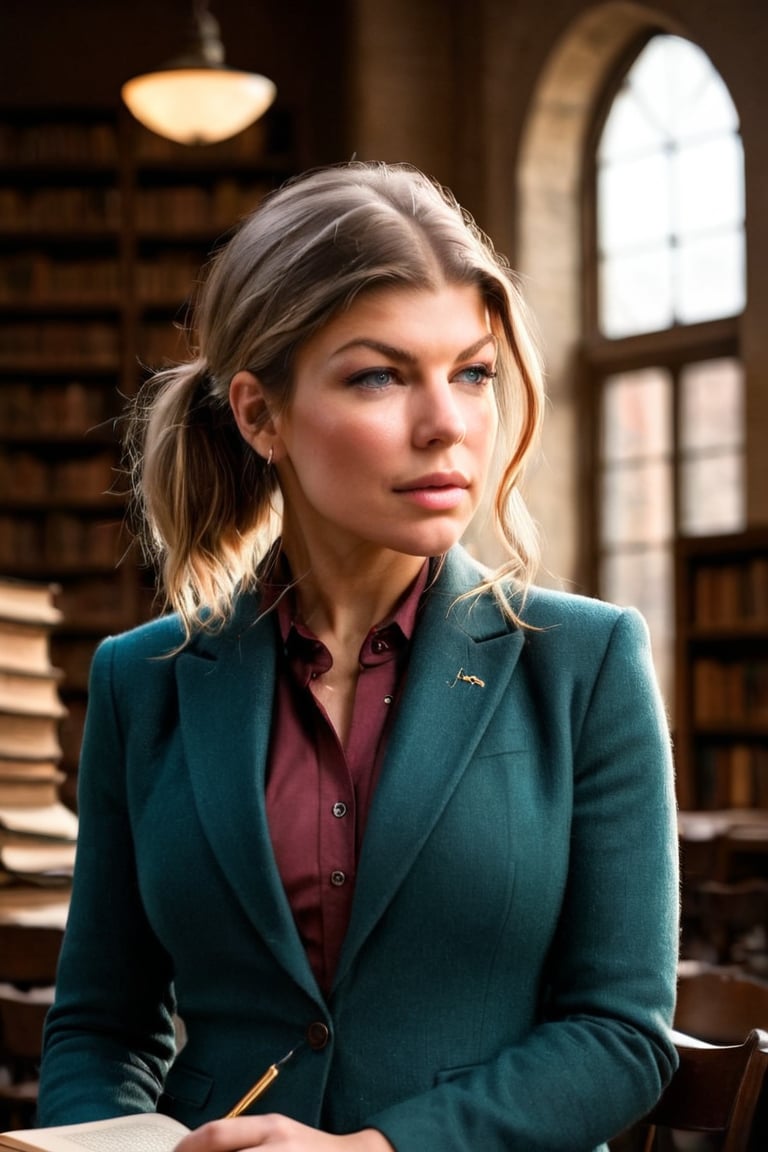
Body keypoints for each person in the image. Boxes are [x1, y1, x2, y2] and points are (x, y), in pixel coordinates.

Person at [37, 161, 679, 1152]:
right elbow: (98, 1026)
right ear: (259, 415)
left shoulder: (587, 665)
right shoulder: (142, 680)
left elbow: (619, 1036)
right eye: (381, 375)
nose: (448, 425)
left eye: (473, 372)